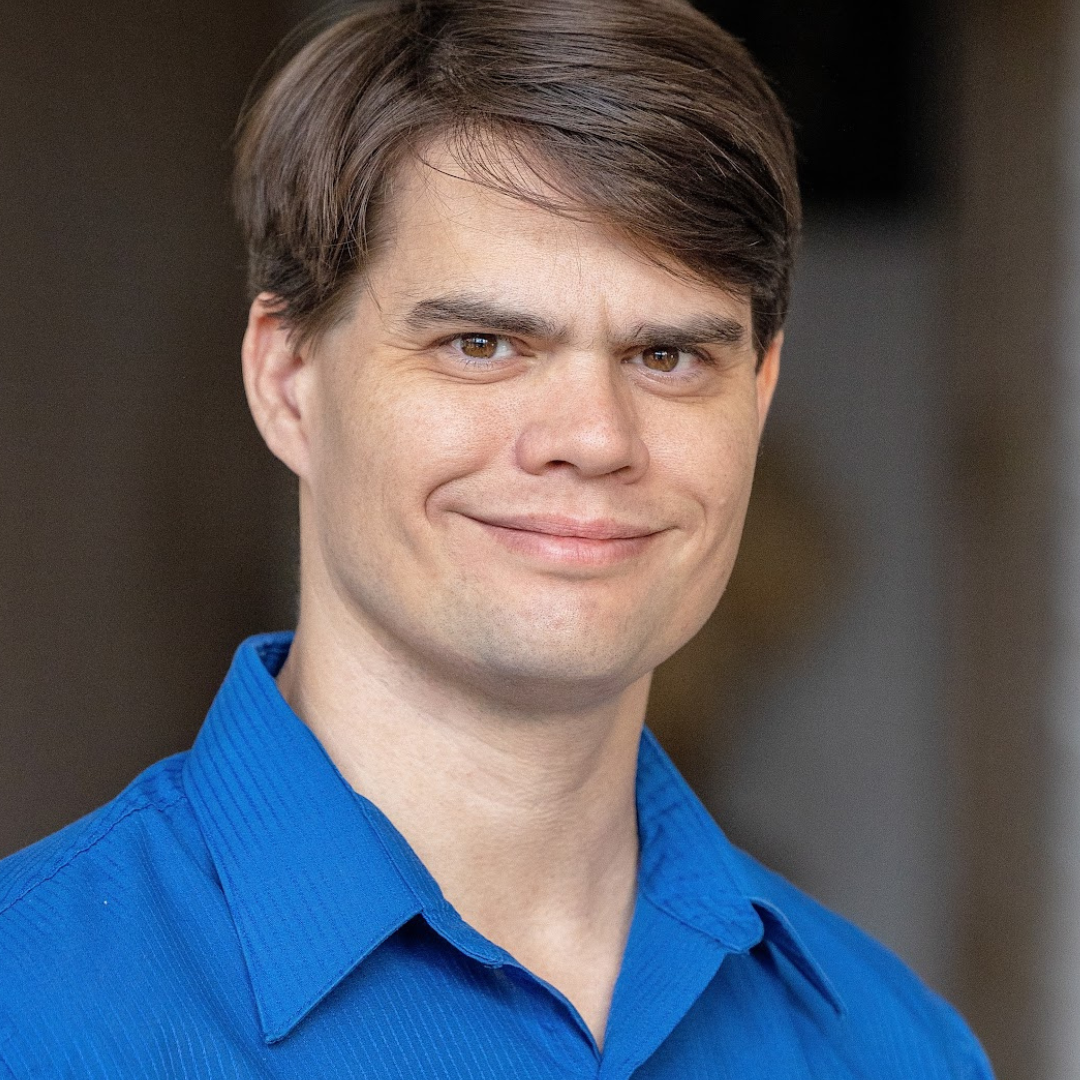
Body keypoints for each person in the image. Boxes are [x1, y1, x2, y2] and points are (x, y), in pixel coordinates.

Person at [0, 0, 993, 1076]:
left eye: (666, 357)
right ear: (288, 381)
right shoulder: (31, 1009)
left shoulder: (895, 1047)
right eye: (482, 344)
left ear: (758, 394)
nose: (594, 438)